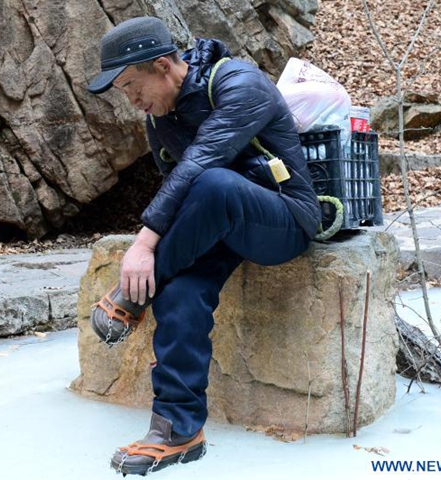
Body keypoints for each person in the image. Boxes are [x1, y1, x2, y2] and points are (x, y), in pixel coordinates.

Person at [86, 16, 322, 476]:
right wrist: (159, 258)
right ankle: (178, 429)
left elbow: (202, 163)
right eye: (123, 93)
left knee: (213, 182)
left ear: (162, 66)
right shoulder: (161, 121)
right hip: (217, 225)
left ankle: (133, 297)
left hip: (283, 219)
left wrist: (144, 248)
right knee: (179, 290)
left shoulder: (238, 83)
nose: (133, 101)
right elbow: (177, 193)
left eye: (133, 85)